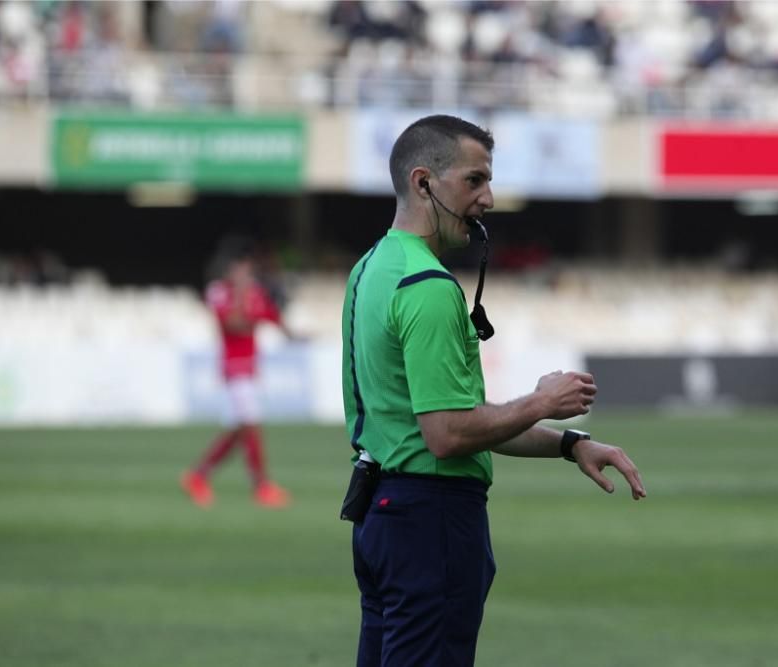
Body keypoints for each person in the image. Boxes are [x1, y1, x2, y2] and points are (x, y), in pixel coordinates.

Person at [340, 114, 647, 667]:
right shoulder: (428, 289)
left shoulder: (370, 269)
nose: (488, 197)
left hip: (382, 517)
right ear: (423, 182)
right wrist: (543, 399)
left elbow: (454, 421)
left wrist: (569, 442)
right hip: (432, 520)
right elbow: (448, 434)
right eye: (474, 180)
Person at [181, 250, 294, 509]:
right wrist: (244, 299)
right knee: (250, 425)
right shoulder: (219, 292)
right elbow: (233, 324)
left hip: (249, 369)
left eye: (247, 270)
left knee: (238, 431)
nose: (244, 275)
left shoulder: (254, 293)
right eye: (240, 269)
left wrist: (294, 334)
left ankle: (197, 476)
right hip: (234, 370)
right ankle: (262, 487)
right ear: (230, 270)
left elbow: (272, 316)